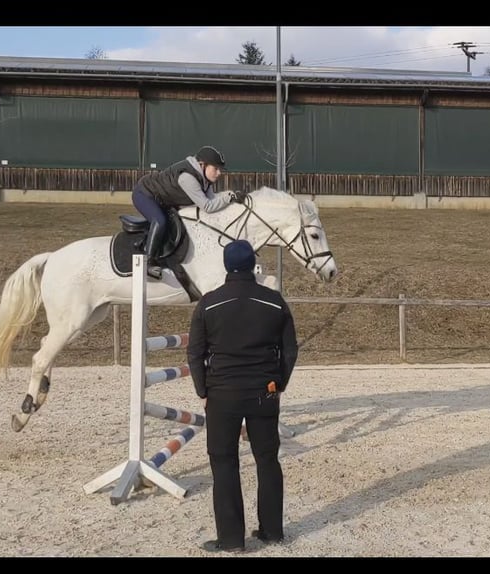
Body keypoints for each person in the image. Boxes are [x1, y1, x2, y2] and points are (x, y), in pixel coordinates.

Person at [187, 239, 299, 553]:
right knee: (267, 459)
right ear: (253, 265)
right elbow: (290, 350)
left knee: (224, 463)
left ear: (226, 266)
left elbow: (195, 352)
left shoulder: (209, 303)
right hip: (264, 391)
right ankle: (273, 531)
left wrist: (202, 391)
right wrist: (279, 384)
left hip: (222, 393)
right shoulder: (274, 302)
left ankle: (231, 539)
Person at [132, 146, 247, 279]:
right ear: (202, 165)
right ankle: (149, 262)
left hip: (163, 200)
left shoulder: (204, 179)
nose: (219, 173)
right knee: (160, 221)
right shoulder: (187, 177)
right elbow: (207, 206)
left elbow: (212, 199)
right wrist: (229, 198)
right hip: (144, 194)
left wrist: (231, 196)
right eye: (216, 168)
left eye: (220, 169)